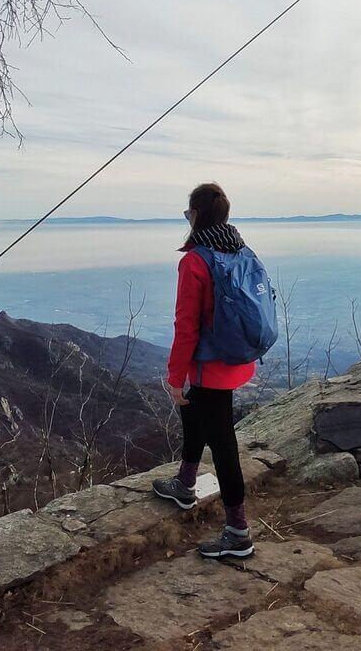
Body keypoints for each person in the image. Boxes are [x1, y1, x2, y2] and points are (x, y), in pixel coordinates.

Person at [152, 182, 258, 558]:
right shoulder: (240, 250)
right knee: (192, 412)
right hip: (235, 358)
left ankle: (238, 531)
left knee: (224, 443)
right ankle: (184, 482)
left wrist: (174, 376)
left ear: (195, 216)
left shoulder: (196, 260)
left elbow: (186, 326)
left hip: (208, 366)